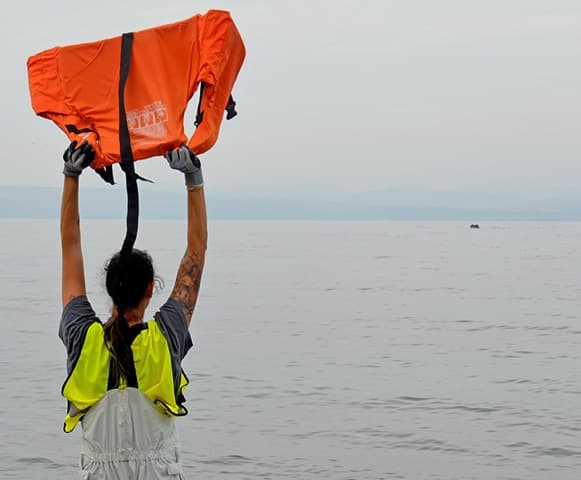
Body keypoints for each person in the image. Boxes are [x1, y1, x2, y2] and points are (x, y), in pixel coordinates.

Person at [59, 140, 207, 479]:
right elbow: (196, 252)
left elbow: (70, 247)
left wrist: (71, 175)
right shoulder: (165, 337)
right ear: (151, 289)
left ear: (109, 289)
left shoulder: (84, 340)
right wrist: (193, 179)